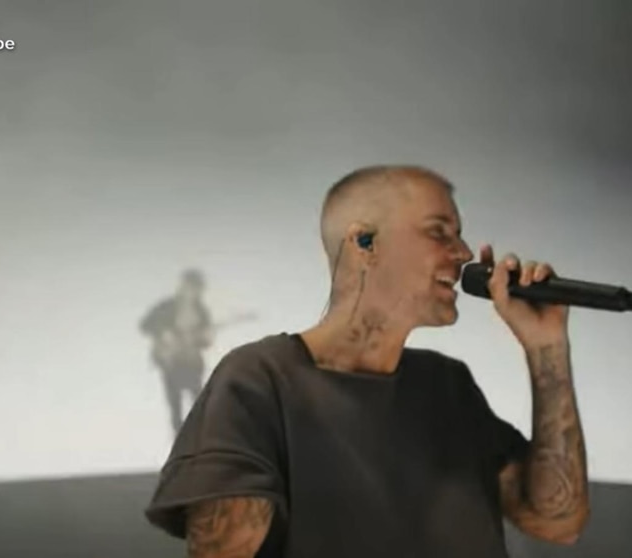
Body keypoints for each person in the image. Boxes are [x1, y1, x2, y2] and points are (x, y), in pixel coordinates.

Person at [143, 165, 591, 557]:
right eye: (439, 232)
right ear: (364, 242)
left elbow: (558, 521)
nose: (464, 253)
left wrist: (546, 346)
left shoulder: (447, 385)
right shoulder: (261, 379)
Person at [140, 268, 216, 434]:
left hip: (192, 362)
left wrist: (206, 338)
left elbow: (204, 343)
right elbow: (145, 325)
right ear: (182, 286)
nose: (192, 292)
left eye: (196, 289)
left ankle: (201, 439)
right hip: (171, 362)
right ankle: (180, 441)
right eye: (189, 287)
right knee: (176, 408)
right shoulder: (166, 307)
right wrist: (163, 332)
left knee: (199, 404)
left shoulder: (201, 311)